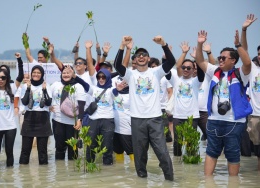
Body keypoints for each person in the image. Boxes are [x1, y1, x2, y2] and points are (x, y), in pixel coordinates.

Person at [114, 36, 175, 181]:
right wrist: (122, 45)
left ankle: (170, 180)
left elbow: (171, 62)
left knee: (162, 151)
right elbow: (117, 65)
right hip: (137, 119)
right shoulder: (130, 74)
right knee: (140, 154)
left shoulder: (156, 72)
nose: (141, 57)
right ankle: (142, 181)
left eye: (144, 55)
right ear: (134, 60)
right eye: (138, 55)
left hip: (155, 119)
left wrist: (163, 44)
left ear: (148, 59)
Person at [195, 30, 252, 176]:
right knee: (211, 153)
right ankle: (208, 182)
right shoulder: (215, 71)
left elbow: (247, 62)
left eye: (223, 58)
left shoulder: (241, 74)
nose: (220, 60)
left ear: (233, 60)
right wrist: (200, 44)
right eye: (219, 57)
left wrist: (238, 45)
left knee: (233, 155)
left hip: (234, 122)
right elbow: (200, 61)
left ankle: (233, 184)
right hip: (214, 121)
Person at [74, 68, 126, 165]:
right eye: (99, 77)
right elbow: (84, 84)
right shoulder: (93, 89)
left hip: (108, 120)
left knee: (107, 145)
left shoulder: (110, 90)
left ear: (107, 78)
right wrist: (75, 77)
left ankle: (107, 169)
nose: (101, 79)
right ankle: (90, 166)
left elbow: (114, 92)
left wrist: (118, 89)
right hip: (93, 120)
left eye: (103, 77)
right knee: (91, 145)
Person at [167, 55, 204, 156]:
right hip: (178, 116)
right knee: (177, 144)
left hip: (192, 117)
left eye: (189, 68)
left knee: (191, 145)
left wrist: (197, 57)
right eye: (184, 67)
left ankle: (190, 170)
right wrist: (165, 56)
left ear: (193, 69)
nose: (186, 70)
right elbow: (166, 72)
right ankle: (178, 167)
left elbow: (201, 73)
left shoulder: (196, 81)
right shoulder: (176, 80)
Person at [50, 66, 86, 160]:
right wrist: (49, 106)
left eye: (68, 73)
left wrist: (80, 120)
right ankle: (60, 170)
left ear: (73, 74)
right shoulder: (56, 84)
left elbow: (82, 104)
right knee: (59, 147)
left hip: (72, 123)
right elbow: (48, 98)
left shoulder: (78, 86)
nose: (66, 75)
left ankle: (73, 171)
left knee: (73, 148)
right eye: (64, 73)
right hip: (57, 120)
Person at [19, 65, 52, 165]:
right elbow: (24, 102)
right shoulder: (25, 86)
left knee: (42, 152)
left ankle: (44, 175)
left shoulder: (47, 85)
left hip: (43, 119)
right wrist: (28, 88)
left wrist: (45, 90)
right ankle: (24, 175)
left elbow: (49, 102)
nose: (36, 74)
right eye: (34, 72)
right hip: (29, 118)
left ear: (42, 74)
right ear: (31, 74)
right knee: (25, 150)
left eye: (38, 73)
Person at [240, 13, 260, 169]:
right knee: (258, 153)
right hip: (255, 117)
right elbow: (244, 52)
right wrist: (244, 30)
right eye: (259, 53)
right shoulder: (253, 70)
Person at [0, 69, 18, 167]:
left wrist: (19, 60)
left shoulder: (12, 89)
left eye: (3, 78)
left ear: (7, 79)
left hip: (10, 126)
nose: (0, 80)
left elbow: (20, 77)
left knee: (9, 152)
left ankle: (10, 177)